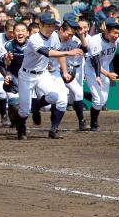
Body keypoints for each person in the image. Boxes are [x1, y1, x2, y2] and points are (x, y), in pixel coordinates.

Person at [15, 12, 84, 140]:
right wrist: (70, 52)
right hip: (26, 75)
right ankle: (21, 127)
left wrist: (64, 71)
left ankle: (36, 108)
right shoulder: (34, 38)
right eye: (48, 25)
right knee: (24, 110)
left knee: (55, 97)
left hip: (43, 74)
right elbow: (46, 52)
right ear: (40, 24)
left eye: (53, 25)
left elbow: (59, 53)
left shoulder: (53, 36)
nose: (51, 28)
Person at [85, 18, 119, 131]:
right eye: (114, 32)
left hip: (105, 70)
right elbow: (95, 61)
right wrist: (107, 74)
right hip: (92, 70)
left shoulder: (118, 37)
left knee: (102, 101)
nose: (116, 35)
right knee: (98, 100)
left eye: (118, 33)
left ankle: (80, 95)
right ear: (106, 31)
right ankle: (94, 123)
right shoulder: (95, 40)